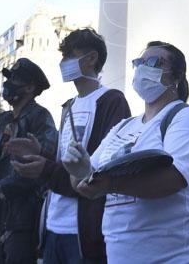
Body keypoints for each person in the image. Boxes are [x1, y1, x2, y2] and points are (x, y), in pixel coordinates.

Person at [63, 41, 189, 264]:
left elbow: (174, 178)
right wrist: (79, 170)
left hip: (182, 258)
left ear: (176, 76)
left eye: (154, 62)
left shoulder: (187, 118)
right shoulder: (124, 127)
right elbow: (85, 182)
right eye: (139, 62)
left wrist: (111, 184)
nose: (142, 67)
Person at [8, 28, 131, 264]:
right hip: (54, 226)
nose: (62, 63)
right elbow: (65, 166)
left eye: (68, 56)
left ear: (91, 58)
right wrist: (39, 154)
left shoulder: (111, 101)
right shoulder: (68, 107)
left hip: (84, 233)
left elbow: (96, 173)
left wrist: (44, 168)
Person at [0, 59, 57, 264]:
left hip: (24, 217)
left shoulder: (40, 116)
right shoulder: (4, 120)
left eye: (15, 79)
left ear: (30, 87)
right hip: (1, 216)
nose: (8, 83)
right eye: (8, 78)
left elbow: (41, 165)